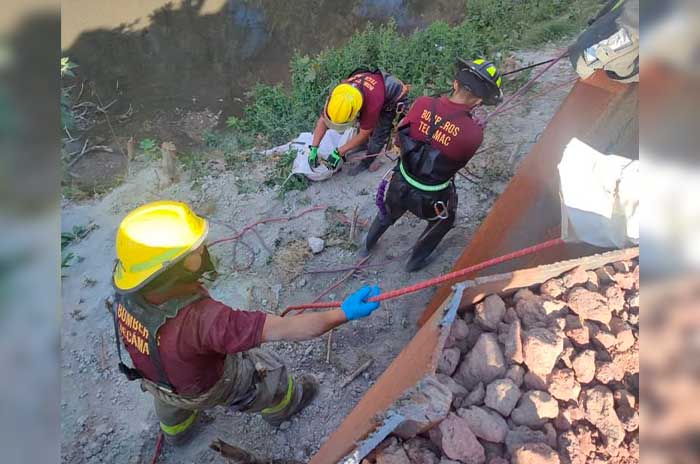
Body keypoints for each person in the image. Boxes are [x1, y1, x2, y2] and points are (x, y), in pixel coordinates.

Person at [110, 201, 381, 445]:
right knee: (271, 375)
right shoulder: (206, 320)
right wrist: (343, 313)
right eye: (197, 247)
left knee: (170, 403)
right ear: (188, 263)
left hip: (159, 383)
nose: (204, 249)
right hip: (209, 387)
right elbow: (288, 329)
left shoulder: (125, 296)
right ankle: (287, 404)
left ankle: (178, 433)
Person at [361, 58, 503, 272]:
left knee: (387, 213)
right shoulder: (474, 134)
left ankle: (367, 245)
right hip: (431, 198)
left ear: (455, 83)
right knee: (445, 221)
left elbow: (399, 139)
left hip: (400, 183)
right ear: (478, 102)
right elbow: (458, 164)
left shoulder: (422, 103)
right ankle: (415, 262)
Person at [308, 67, 410, 176]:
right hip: (373, 88)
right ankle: (363, 146)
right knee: (366, 126)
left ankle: (367, 162)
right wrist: (314, 148)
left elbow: (364, 133)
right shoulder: (340, 95)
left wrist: (339, 152)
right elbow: (323, 121)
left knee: (379, 134)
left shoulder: (372, 104)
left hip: (392, 97)